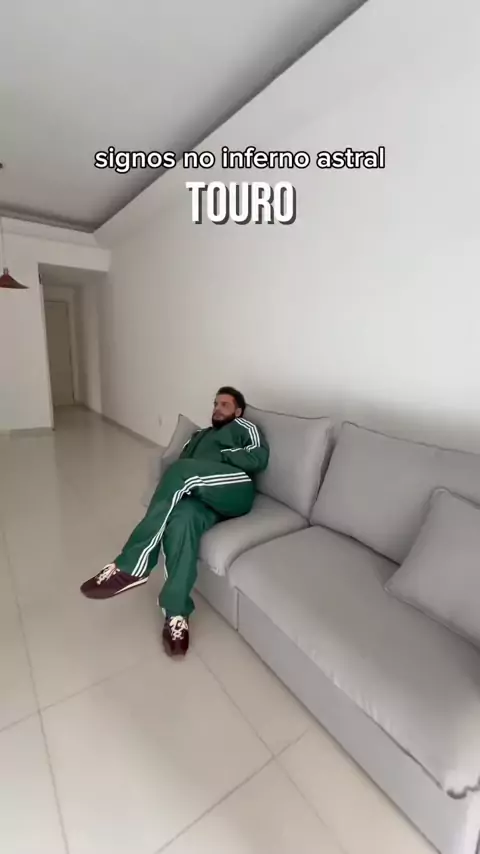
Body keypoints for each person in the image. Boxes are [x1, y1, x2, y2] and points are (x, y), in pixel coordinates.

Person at [80, 387, 269, 656]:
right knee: (181, 521)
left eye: (225, 405)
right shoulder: (198, 436)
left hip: (234, 488)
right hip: (201, 496)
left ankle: (133, 564)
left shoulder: (243, 427)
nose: (217, 408)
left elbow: (258, 458)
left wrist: (223, 455)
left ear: (238, 411)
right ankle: (176, 612)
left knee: (181, 471)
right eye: (215, 404)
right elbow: (183, 467)